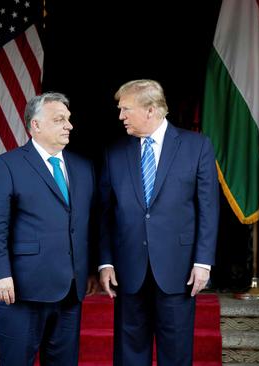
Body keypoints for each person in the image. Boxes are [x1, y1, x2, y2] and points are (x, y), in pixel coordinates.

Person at [99, 79, 219, 365]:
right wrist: (106, 262)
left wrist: (203, 262)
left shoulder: (197, 146)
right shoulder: (114, 152)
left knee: (176, 355)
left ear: (151, 110)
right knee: (129, 356)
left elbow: (208, 208)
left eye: (126, 109)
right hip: (129, 272)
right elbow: (105, 212)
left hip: (179, 271)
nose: (120, 116)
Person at [0, 92, 97, 366]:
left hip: (71, 288)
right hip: (23, 288)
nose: (69, 125)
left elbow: (87, 223)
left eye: (68, 119)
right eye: (60, 119)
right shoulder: (7, 165)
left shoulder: (83, 167)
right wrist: (0, 274)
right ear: (36, 125)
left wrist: (90, 268)